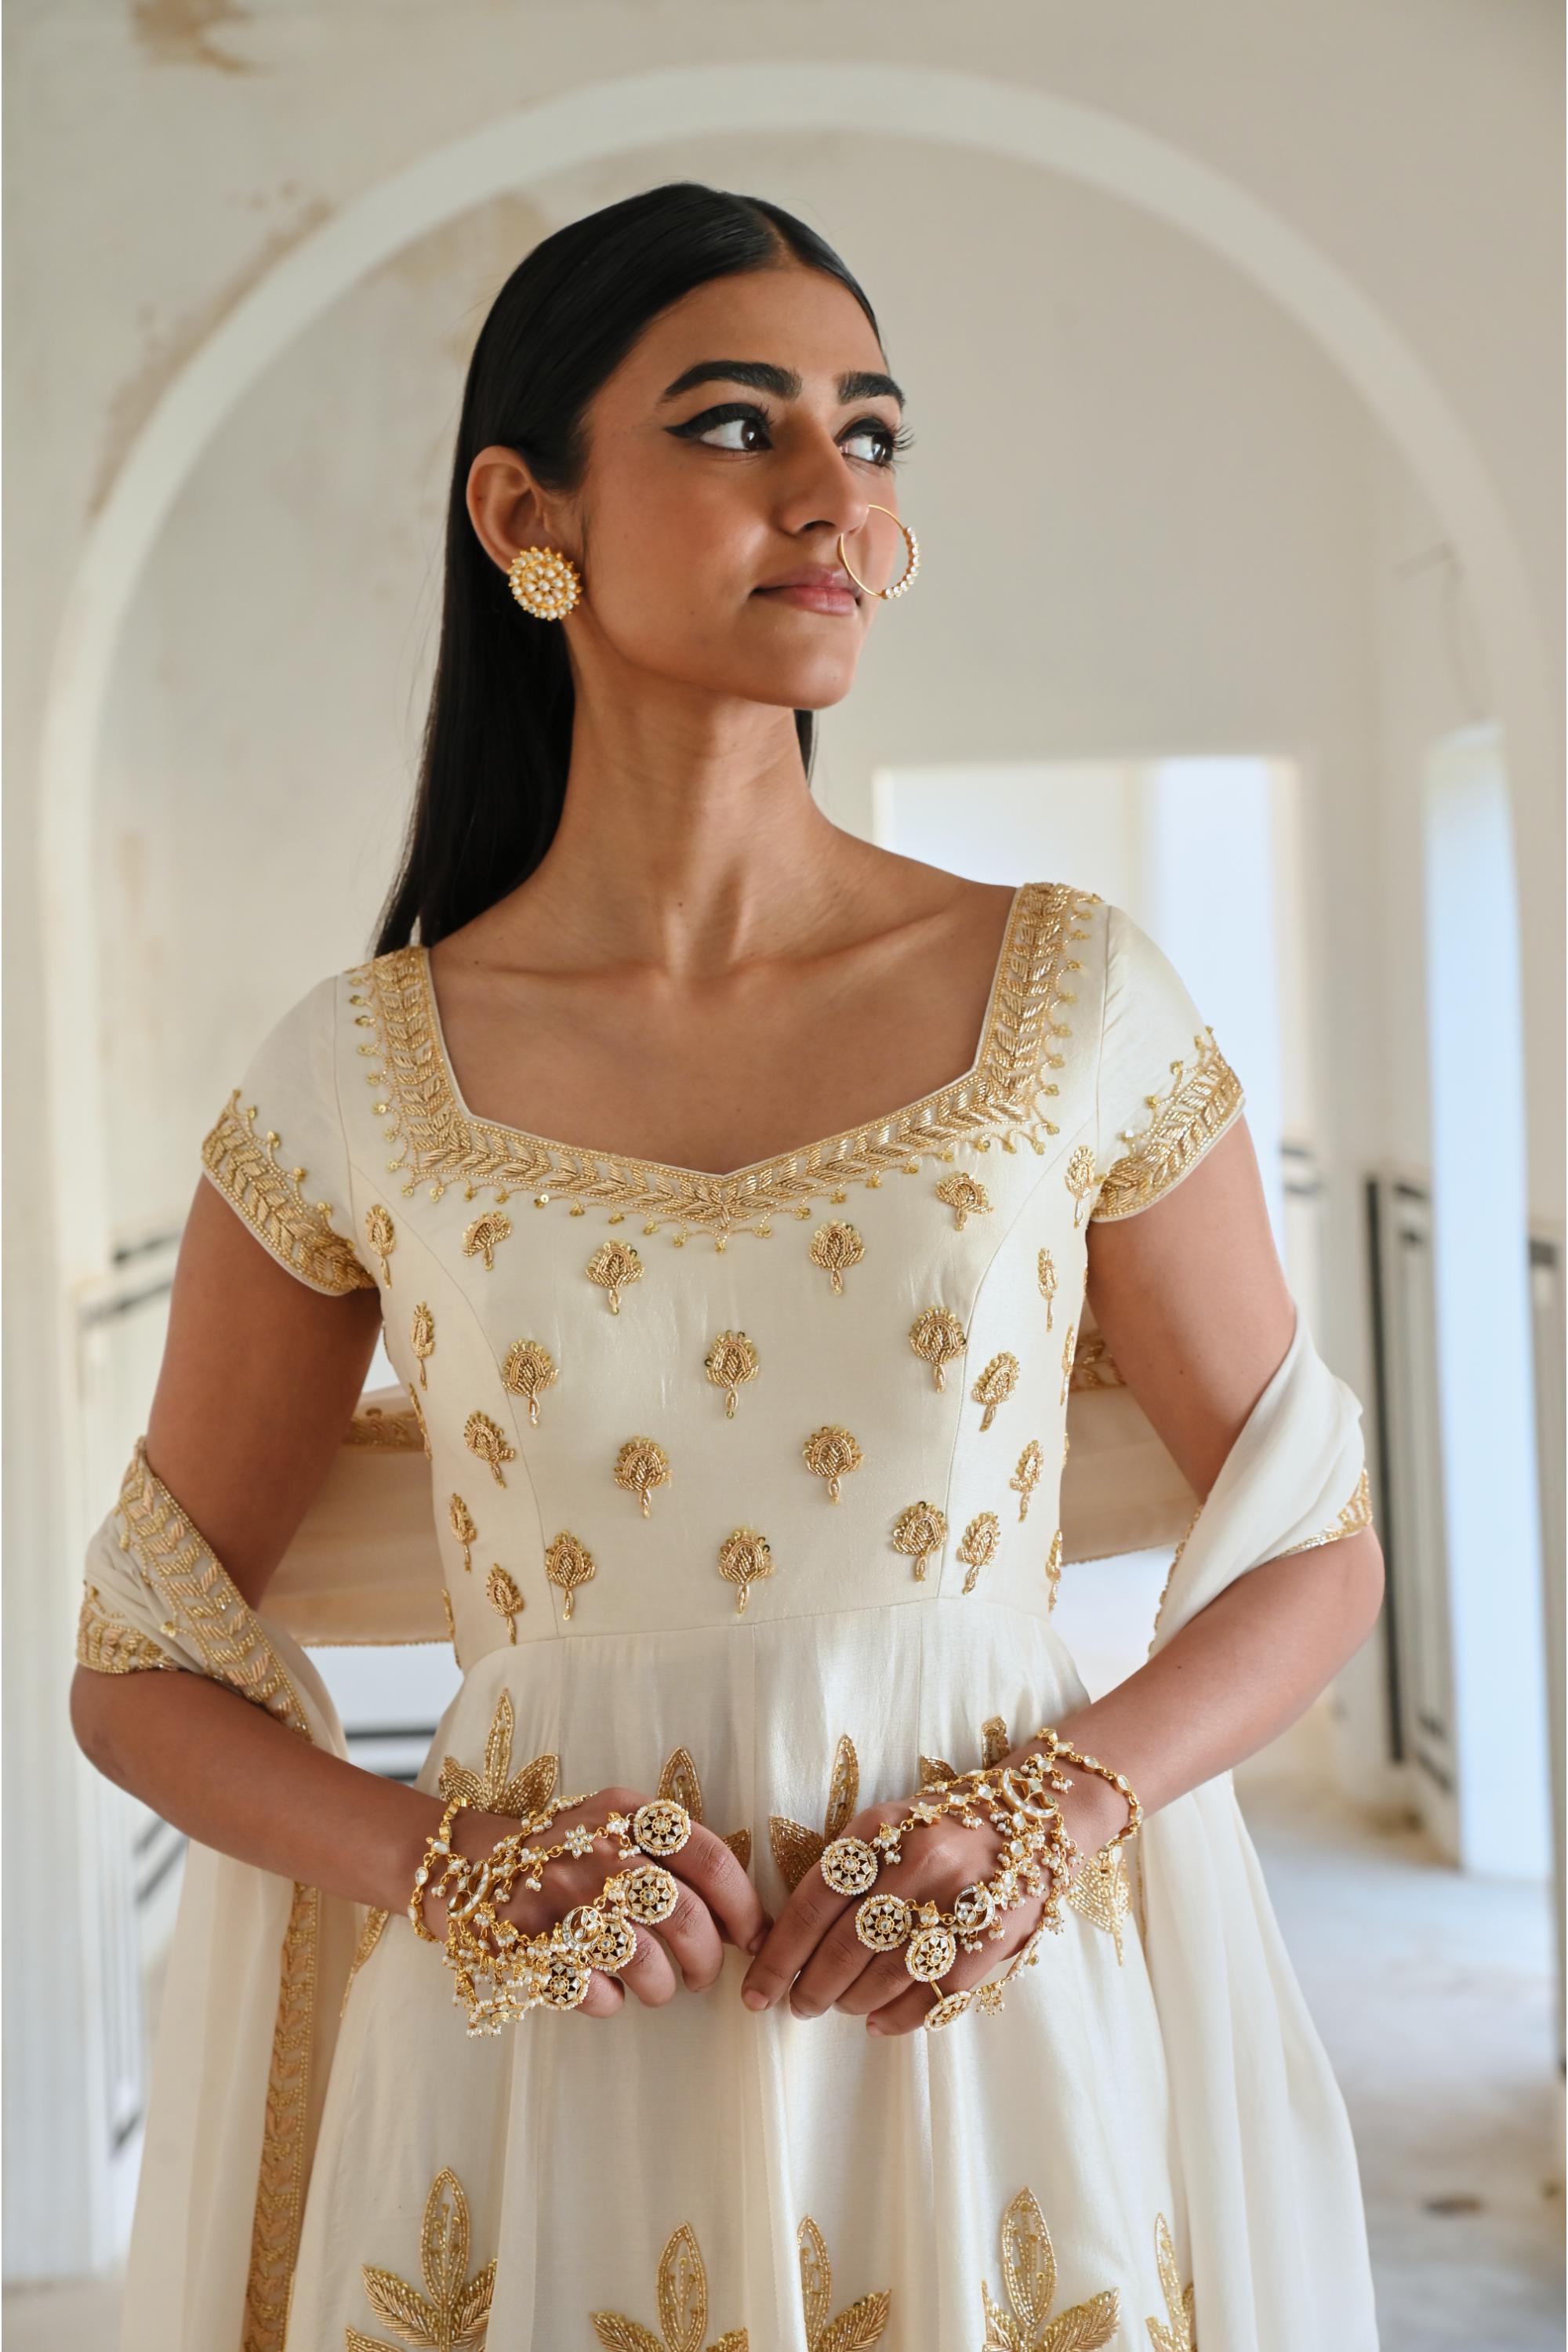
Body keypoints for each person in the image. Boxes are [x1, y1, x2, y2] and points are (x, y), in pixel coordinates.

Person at [70, 181, 1385, 2350]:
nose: (834, 493)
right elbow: (142, 1665)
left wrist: (1054, 1815)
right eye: (734, 424)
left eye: (869, 435)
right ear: (527, 512)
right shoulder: (359, 1076)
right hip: (526, 2092)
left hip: (979, 2048)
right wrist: (445, 1870)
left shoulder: (1071, 1000)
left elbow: (1309, 1540)